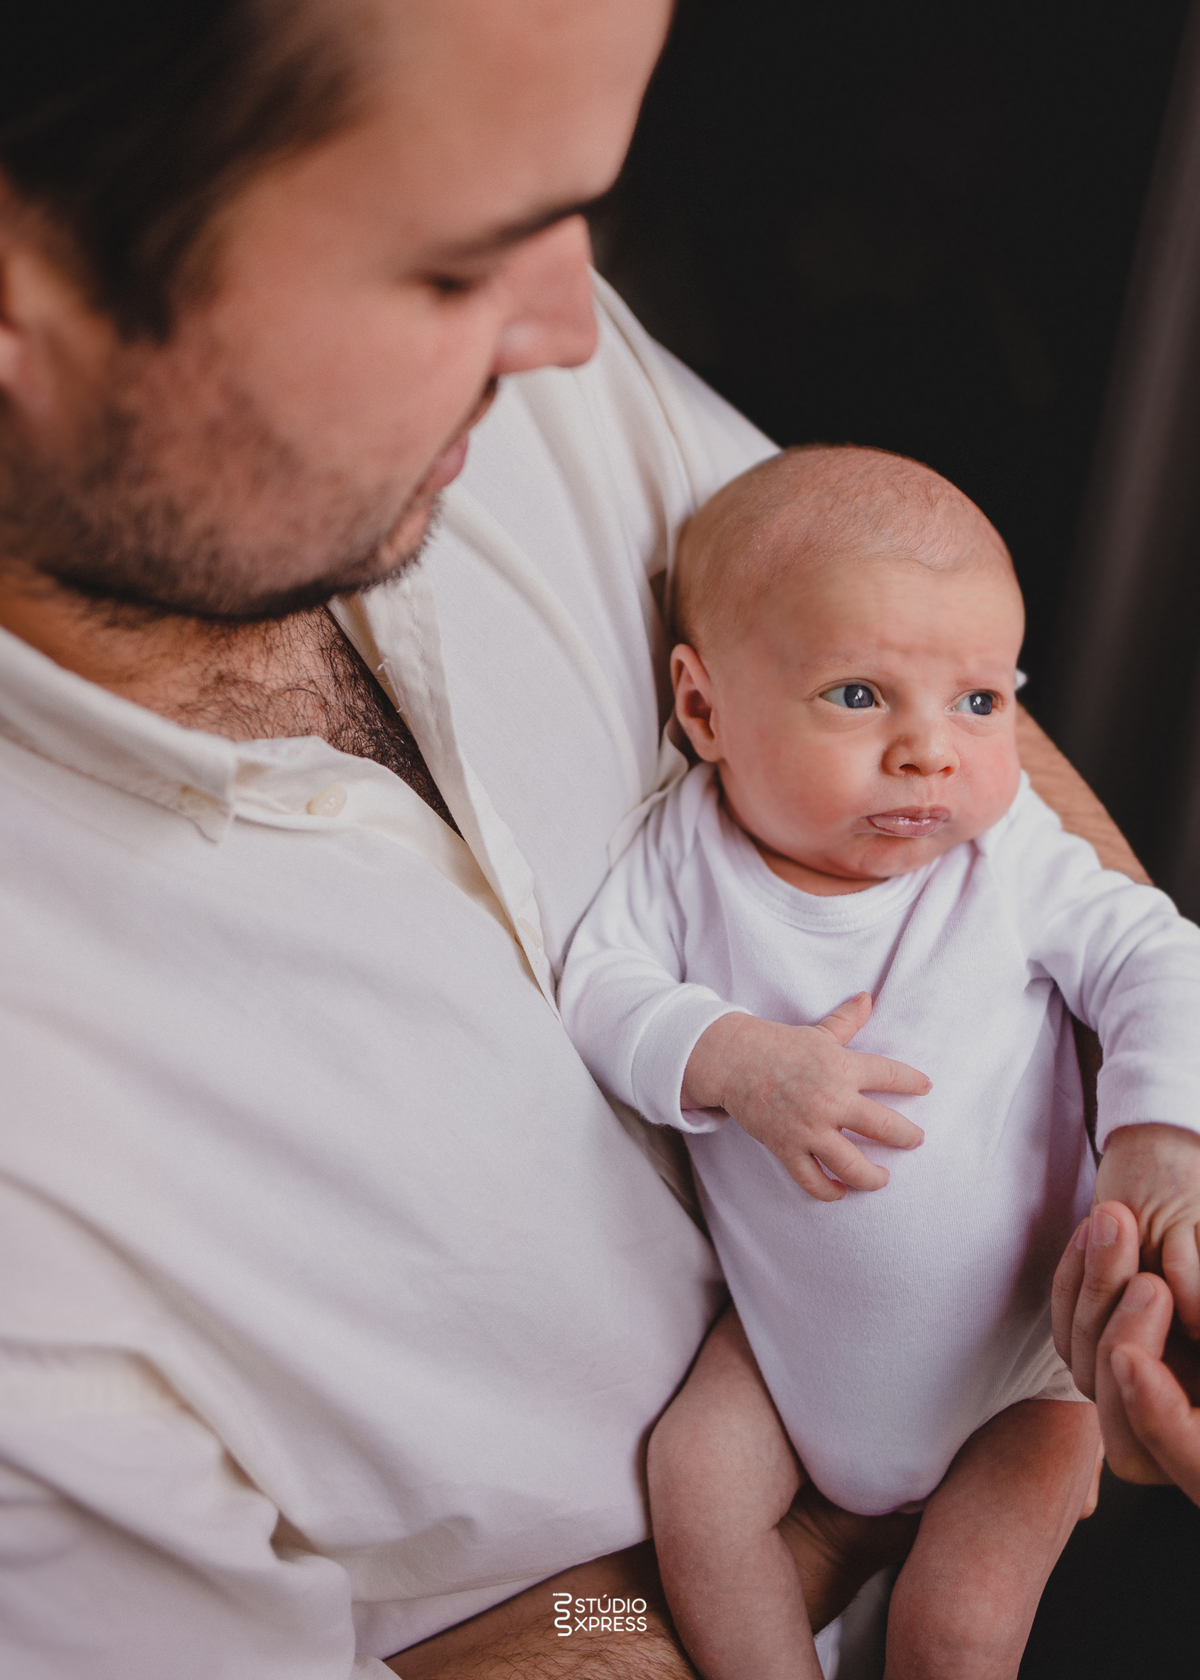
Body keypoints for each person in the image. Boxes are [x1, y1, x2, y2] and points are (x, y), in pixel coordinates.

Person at [0, 4, 1166, 1677]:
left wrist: (1161, 1180)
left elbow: (926, 672)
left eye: (570, 215)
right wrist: (769, 1553)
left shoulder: (497, 370)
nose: (573, 326)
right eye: (453, 266)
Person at [558, 445, 1200, 1679]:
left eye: (981, 700)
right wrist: (736, 1060)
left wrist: (1159, 1133)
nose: (932, 752)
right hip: (792, 1353)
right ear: (704, 712)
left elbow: (1148, 952)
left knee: (954, 1630)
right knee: (695, 1487)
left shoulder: (1001, 852)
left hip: (1029, 1362)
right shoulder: (685, 859)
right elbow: (601, 993)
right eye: (860, 695)